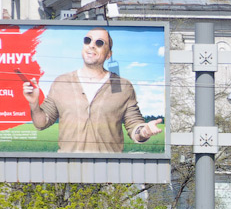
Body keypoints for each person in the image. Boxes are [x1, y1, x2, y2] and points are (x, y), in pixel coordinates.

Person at [21, 28, 161, 153]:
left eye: (99, 43)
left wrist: (145, 131)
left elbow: (134, 126)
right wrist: (34, 104)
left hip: (109, 171)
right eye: (88, 41)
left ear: (108, 54)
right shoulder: (61, 82)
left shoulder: (123, 86)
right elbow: (41, 123)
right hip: (67, 170)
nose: (92, 45)